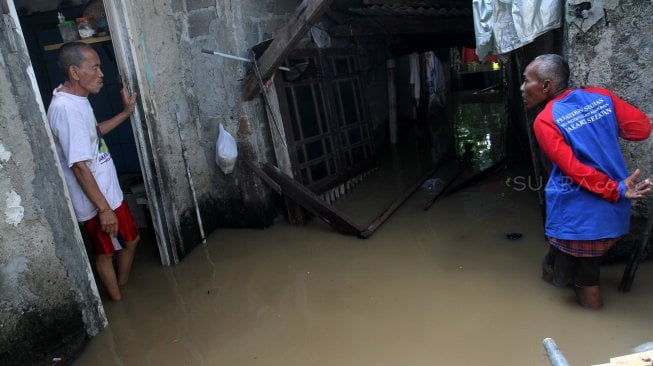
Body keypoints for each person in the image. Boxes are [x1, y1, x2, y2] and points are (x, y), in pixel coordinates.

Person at [521, 54, 652, 309]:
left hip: (582, 215)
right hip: (611, 210)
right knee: (551, 264)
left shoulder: (545, 120)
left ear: (547, 85)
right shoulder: (600, 96)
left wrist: (614, 189)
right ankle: (548, 305)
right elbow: (641, 130)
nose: (522, 88)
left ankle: (596, 332)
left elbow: (574, 170)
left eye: (527, 81)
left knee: (587, 282)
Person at [48, 41, 139, 301]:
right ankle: (119, 303)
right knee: (106, 253)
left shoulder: (78, 100)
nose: (101, 74)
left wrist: (126, 113)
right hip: (95, 203)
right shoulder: (65, 110)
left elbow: (93, 135)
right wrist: (104, 209)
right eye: (95, 67)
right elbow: (77, 165)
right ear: (75, 72)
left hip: (108, 194)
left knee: (130, 241)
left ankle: (122, 288)